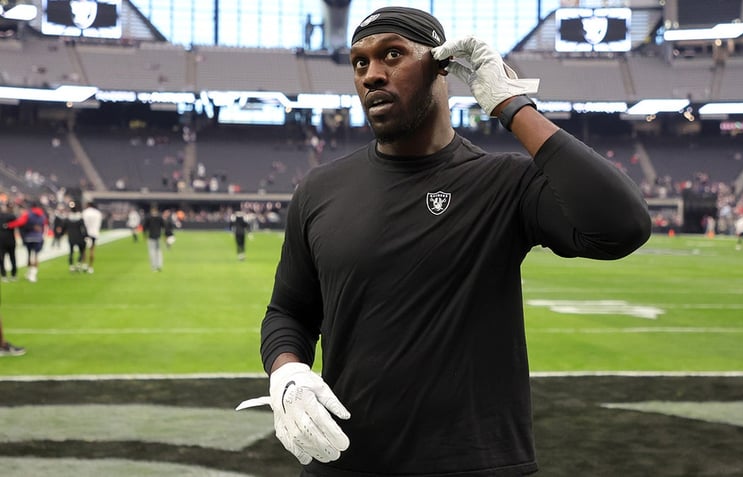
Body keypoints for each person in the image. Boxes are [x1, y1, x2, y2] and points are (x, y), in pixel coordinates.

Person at [243, 7, 650, 476]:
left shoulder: (505, 182)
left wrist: (512, 106)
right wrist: (287, 372)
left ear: (441, 66)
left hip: (478, 464)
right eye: (360, 63)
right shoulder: (319, 189)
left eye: (392, 55)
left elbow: (623, 226)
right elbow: (289, 311)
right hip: (346, 463)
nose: (372, 74)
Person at [5, 200, 48, 283]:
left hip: (28, 237)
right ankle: (33, 274)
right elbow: (44, 226)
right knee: (35, 256)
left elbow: (20, 222)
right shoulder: (42, 215)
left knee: (29, 255)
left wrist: (9, 225)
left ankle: (29, 272)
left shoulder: (28, 214)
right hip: (38, 237)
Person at [64, 202, 88, 272]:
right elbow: (84, 228)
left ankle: (71, 266)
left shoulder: (68, 218)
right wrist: (86, 236)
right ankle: (78, 263)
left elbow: (64, 227)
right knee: (81, 251)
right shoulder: (80, 218)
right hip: (79, 237)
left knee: (71, 252)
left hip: (71, 237)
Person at [142, 206, 167, 271]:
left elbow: (144, 228)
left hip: (151, 237)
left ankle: (154, 266)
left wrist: (144, 236)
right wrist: (164, 236)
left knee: (152, 252)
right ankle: (159, 265)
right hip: (158, 237)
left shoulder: (148, 218)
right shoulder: (160, 218)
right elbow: (164, 227)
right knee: (158, 252)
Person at [81, 202, 103, 273]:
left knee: (84, 249)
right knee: (92, 250)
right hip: (94, 233)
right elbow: (99, 224)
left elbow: (82, 223)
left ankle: (84, 264)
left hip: (86, 233)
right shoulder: (98, 213)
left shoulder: (85, 212)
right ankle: (90, 267)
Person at [0, 201, 18, 282]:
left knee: (2, 259)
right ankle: (13, 275)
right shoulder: (12, 216)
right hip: (11, 240)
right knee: (12, 258)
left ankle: (4, 275)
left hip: (1, 240)